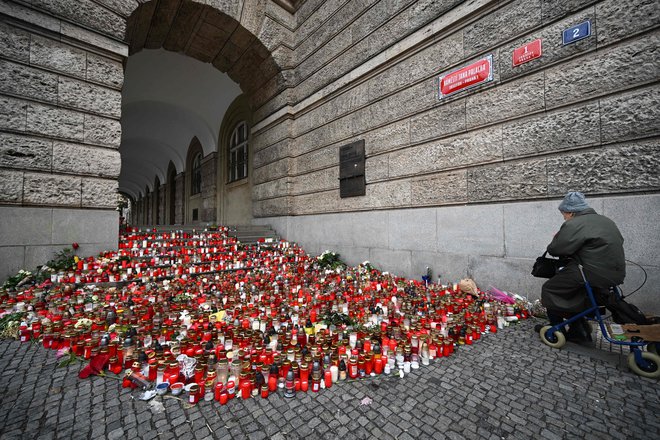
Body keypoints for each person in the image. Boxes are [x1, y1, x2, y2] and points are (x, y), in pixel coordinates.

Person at [540, 191, 626, 341]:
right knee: (579, 291)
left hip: (590, 272)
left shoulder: (574, 223)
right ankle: (578, 328)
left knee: (550, 288)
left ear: (571, 212)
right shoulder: (605, 220)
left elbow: (556, 249)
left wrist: (556, 238)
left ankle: (556, 327)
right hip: (615, 273)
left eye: (564, 214)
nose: (564, 217)